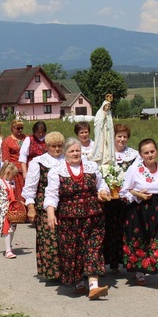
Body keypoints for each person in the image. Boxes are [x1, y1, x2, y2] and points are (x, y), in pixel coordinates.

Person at [44, 137, 111, 299]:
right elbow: (51, 194)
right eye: (72, 151)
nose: (75, 154)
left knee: (93, 248)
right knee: (73, 251)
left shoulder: (91, 166)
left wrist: (103, 192)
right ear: (65, 153)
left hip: (93, 216)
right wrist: (51, 214)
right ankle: (79, 282)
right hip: (69, 218)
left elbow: (101, 184)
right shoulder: (57, 170)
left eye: (78, 151)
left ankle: (94, 286)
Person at [120, 138, 158, 291]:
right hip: (139, 209)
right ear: (141, 155)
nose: (150, 155)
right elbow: (124, 191)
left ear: (157, 151)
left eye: (152, 151)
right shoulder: (134, 169)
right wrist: (137, 195)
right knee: (141, 241)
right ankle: (139, 273)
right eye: (146, 153)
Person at [22, 131, 65, 281]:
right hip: (43, 205)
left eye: (60, 146)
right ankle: (52, 273)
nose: (57, 149)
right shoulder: (38, 162)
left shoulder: (66, 160)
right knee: (50, 240)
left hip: (65, 205)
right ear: (47, 146)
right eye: (54, 146)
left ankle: (67, 271)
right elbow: (30, 187)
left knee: (64, 239)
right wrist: (31, 207)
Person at [102, 123, 139, 273]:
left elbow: (136, 175)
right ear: (113, 137)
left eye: (125, 136)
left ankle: (124, 262)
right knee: (108, 230)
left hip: (126, 199)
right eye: (119, 136)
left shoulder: (134, 155)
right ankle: (109, 262)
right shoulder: (106, 153)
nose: (122, 139)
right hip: (108, 199)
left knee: (125, 230)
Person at [0, 162, 21, 259]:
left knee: (12, 228)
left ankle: (9, 246)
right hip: (3, 209)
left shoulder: (11, 183)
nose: (13, 178)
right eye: (12, 176)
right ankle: (8, 250)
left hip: (12, 208)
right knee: (7, 229)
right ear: (8, 172)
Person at [2, 119, 26, 201]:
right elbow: (6, 159)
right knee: (18, 195)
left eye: (21, 128)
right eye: (18, 128)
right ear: (12, 128)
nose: (20, 130)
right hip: (15, 172)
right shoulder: (7, 141)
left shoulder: (26, 138)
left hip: (27, 169)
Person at [92, 99, 114, 165]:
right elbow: (96, 122)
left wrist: (108, 125)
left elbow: (111, 123)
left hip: (107, 132)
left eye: (108, 106)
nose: (107, 108)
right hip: (101, 132)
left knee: (107, 145)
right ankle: (99, 157)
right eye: (106, 106)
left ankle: (107, 158)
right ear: (103, 106)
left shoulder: (109, 113)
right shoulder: (99, 112)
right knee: (101, 144)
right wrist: (102, 119)